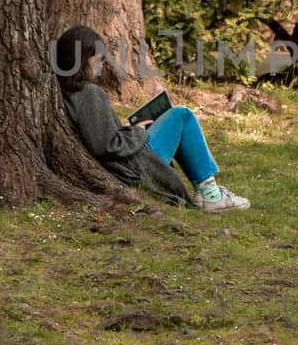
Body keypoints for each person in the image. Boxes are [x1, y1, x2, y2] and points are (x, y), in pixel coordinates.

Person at [53, 25, 250, 212]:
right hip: (131, 166)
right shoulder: (88, 93)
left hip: (125, 161)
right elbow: (107, 146)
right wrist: (138, 131)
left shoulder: (66, 90)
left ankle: (209, 192)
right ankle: (211, 195)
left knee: (173, 117)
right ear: (82, 58)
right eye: (97, 58)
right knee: (182, 116)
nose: (101, 64)